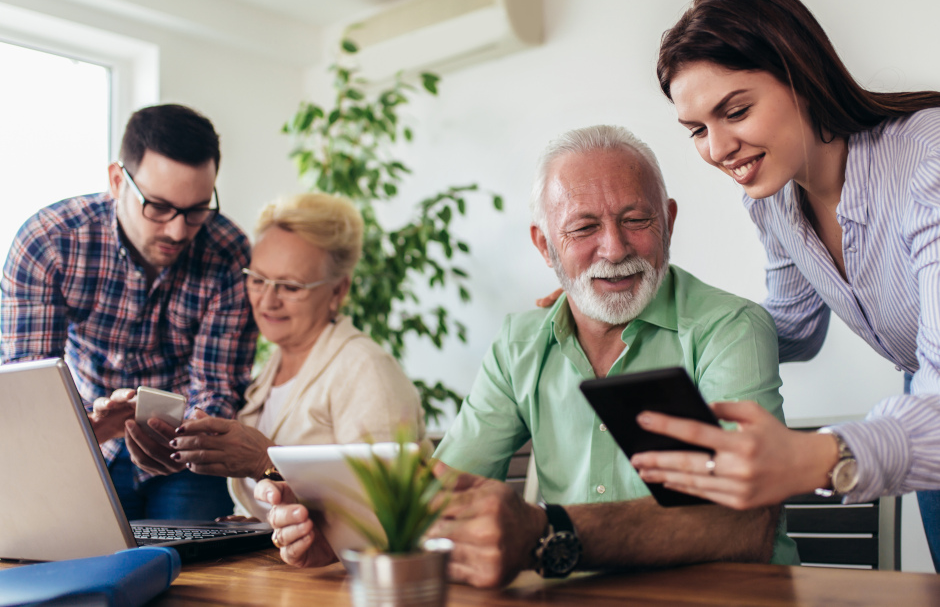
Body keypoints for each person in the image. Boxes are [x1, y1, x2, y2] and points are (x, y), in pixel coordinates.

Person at [257, 125, 799, 588]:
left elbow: (747, 523)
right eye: (584, 227)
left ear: (669, 222)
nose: (614, 248)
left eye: (637, 220)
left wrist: (547, 531)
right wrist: (348, 533)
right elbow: (444, 492)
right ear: (545, 246)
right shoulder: (520, 343)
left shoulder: (730, 328)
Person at [628, 0, 940, 571]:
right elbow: (791, 329)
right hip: (924, 404)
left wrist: (815, 456)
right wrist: (639, 315)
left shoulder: (929, 159)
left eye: (735, 111)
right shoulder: (774, 202)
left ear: (801, 75)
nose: (718, 148)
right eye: (697, 129)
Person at [0, 104, 257, 521]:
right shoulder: (49, 242)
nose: (178, 231)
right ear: (117, 181)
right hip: (86, 441)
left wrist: (180, 435)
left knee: (195, 559)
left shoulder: (228, 253)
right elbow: (34, 392)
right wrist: (91, 428)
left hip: (187, 453)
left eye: (196, 209)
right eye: (159, 206)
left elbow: (218, 389)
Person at [161, 193, 426, 519]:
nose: (267, 301)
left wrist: (263, 461)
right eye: (258, 280)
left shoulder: (366, 370)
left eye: (290, 287)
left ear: (338, 291)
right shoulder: (268, 374)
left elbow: (385, 508)